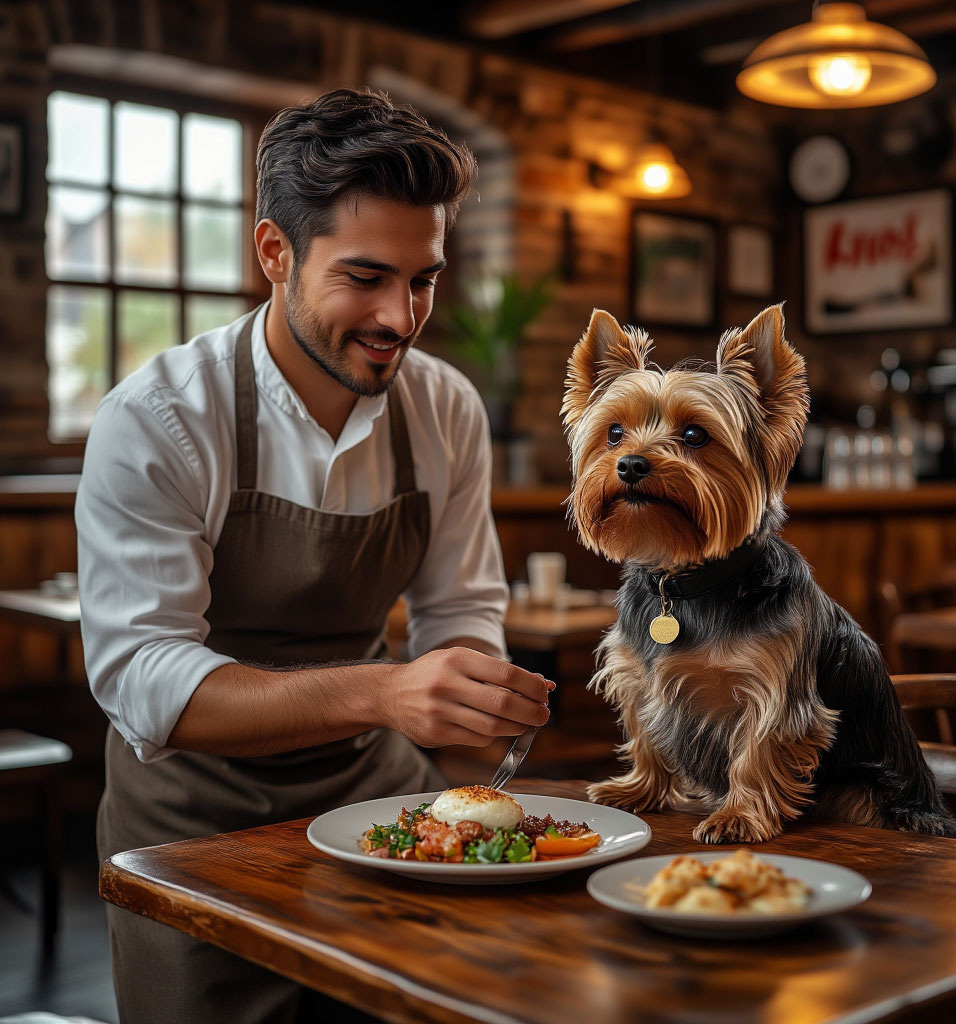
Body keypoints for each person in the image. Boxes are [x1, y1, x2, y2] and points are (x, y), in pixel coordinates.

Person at [76, 87, 552, 1024]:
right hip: (192, 835)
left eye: (423, 280)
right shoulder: (160, 417)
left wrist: (475, 699)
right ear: (274, 253)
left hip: (383, 808)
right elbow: (145, 677)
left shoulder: (446, 409)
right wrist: (385, 692)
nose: (400, 316)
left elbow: (459, 610)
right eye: (365, 277)